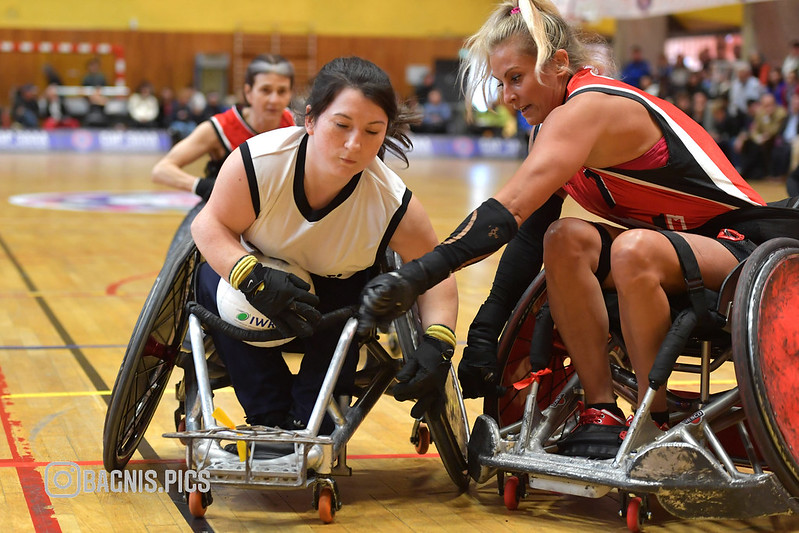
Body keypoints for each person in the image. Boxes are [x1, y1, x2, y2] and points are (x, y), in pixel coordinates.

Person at [357, 0, 770, 460]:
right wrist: (482, 336)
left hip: (744, 249)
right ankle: (601, 411)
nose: (507, 96)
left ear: (557, 65)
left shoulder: (589, 106)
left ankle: (652, 419)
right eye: (500, 83)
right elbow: (529, 236)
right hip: (669, 251)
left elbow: (505, 211)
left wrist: (415, 276)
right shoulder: (549, 127)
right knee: (564, 238)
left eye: (516, 78)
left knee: (634, 249)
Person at [190, 56, 458, 438]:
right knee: (216, 286)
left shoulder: (392, 202)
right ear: (311, 119)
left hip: (333, 304)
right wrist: (246, 273)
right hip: (252, 278)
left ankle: (309, 422)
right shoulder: (259, 163)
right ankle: (267, 416)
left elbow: (435, 275)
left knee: (358, 304)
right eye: (342, 125)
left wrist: (438, 340)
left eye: (372, 131)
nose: (354, 144)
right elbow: (208, 224)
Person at [152, 55, 296, 202]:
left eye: (282, 91)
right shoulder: (220, 127)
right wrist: (205, 186)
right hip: (221, 209)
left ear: (290, 93)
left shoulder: (295, 125)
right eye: (265, 90)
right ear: (248, 92)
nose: (274, 99)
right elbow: (161, 170)